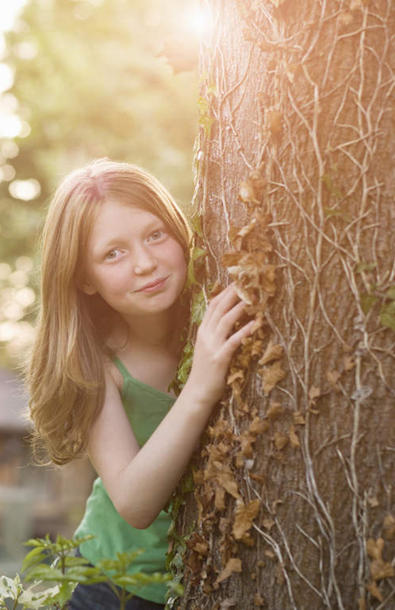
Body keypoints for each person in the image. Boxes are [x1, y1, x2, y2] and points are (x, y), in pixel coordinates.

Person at [26, 159, 255, 609]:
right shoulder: (93, 362)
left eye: (155, 235)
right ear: (84, 279)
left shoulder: (208, 310)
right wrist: (202, 385)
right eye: (113, 253)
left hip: (214, 581)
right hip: (114, 588)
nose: (146, 264)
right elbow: (133, 501)